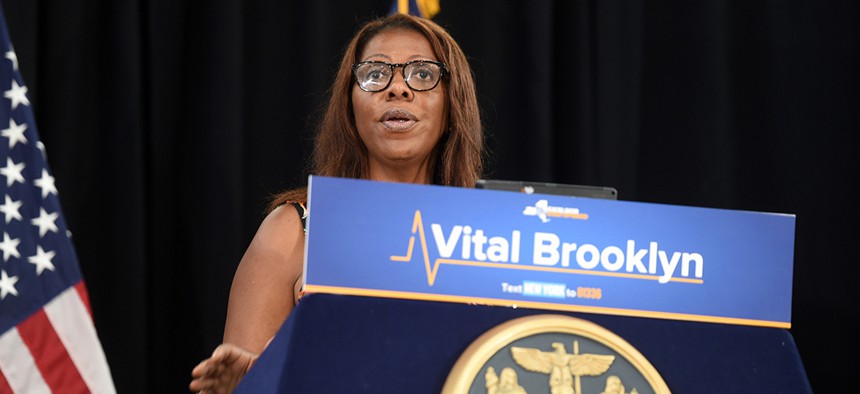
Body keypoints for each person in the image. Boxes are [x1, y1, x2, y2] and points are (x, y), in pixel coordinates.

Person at [189, 12, 484, 393]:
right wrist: (250, 384)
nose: (398, 89)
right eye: (375, 74)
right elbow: (238, 378)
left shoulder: (491, 239)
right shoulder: (293, 230)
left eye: (423, 74)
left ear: (452, 101)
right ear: (349, 104)